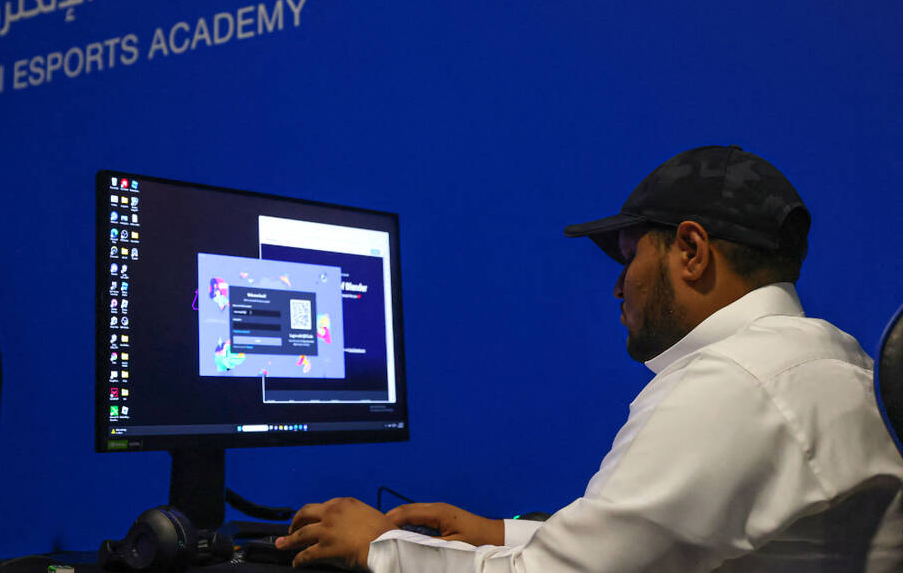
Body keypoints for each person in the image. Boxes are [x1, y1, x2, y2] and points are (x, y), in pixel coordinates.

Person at [275, 145, 903, 572]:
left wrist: (378, 549)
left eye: (629, 257)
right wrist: (499, 533)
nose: (617, 285)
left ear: (690, 249)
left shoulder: (734, 384)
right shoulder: (828, 359)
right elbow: (652, 542)